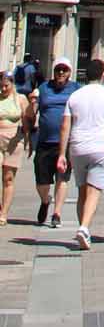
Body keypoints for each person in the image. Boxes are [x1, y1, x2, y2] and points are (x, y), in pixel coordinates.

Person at [55, 57, 104, 251]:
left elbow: (64, 126)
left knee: (82, 190)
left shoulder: (75, 96)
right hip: (100, 146)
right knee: (94, 190)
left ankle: (83, 228)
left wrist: (62, 153)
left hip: (77, 147)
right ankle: (84, 228)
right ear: (103, 75)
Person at [31, 60, 78, 228]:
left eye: (64, 70)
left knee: (62, 178)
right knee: (41, 182)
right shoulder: (44, 88)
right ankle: (45, 201)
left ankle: (56, 213)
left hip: (64, 144)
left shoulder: (75, 89)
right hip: (44, 141)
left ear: (70, 72)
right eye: (58, 70)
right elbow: (32, 112)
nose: (61, 73)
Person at [0, 72, 28, 225]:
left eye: (6, 86)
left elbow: (26, 121)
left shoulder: (20, 99)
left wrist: (29, 141)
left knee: (8, 178)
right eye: (1, 86)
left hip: (14, 142)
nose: (3, 89)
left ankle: (3, 214)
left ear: (12, 84)